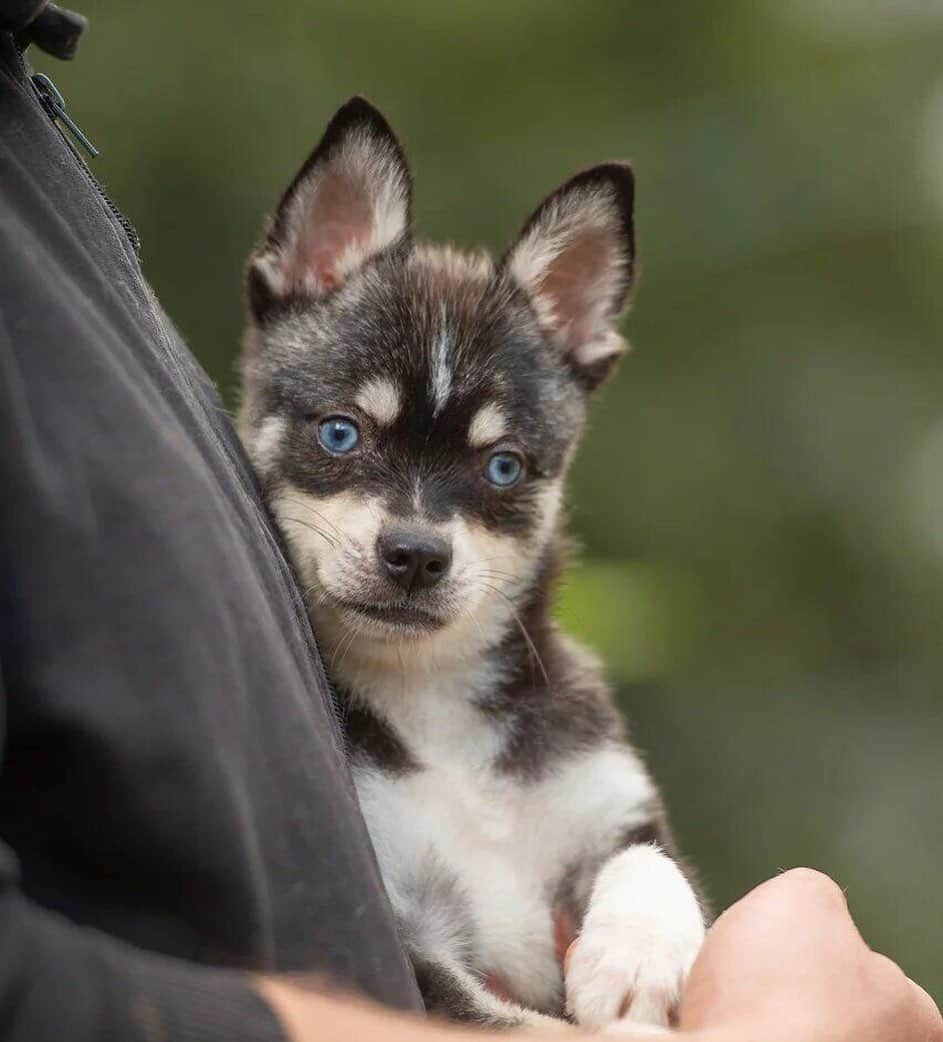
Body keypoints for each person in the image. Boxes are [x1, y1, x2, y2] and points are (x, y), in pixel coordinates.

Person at [0, 5, 939, 1042]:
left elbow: (638, 864)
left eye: (497, 468)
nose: (415, 534)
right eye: (345, 440)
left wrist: (644, 900)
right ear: (303, 270)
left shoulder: (566, 724)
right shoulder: (319, 726)